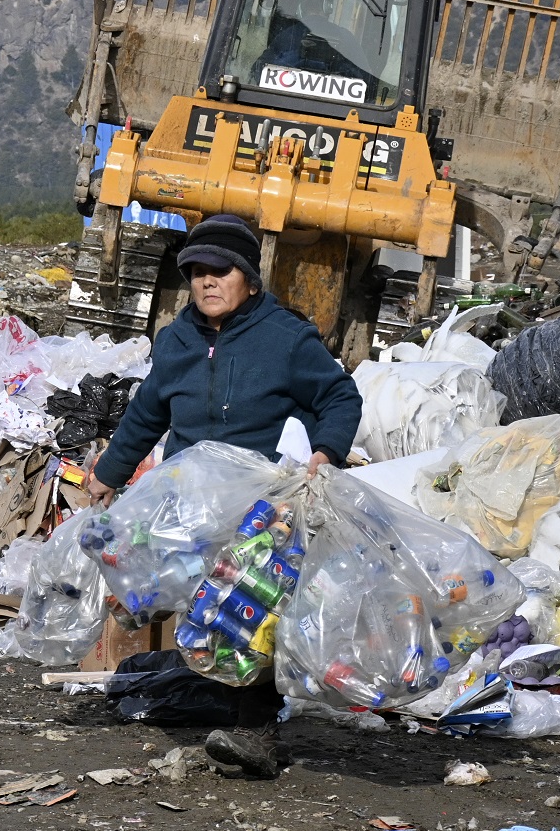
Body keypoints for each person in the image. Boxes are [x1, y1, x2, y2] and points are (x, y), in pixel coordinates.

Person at [85, 214, 362, 779]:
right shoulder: (178, 339)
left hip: (260, 508)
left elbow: (339, 397)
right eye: (197, 272)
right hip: (187, 500)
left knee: (250, 611)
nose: (207, 282)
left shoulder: (286, 338)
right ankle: (209, 695)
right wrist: (108, 473)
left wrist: (324, 452)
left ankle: (256, 732)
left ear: (249, 279)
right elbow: (147, 414)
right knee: (188, 604)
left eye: (221, 270)